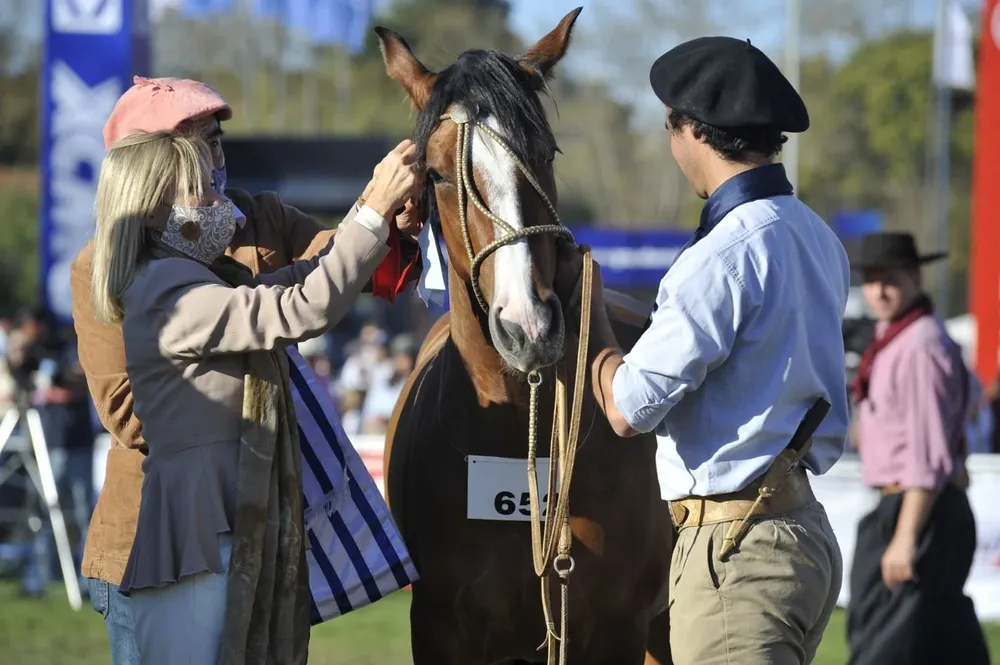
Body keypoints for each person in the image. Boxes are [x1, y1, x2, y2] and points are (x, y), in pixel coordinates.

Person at [71, 76, 422, 665]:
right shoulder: (109, 268)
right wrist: (243, 368)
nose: (212, 159)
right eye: (189, 144)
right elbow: (130, 415)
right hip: (167, 529)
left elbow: (333, 270)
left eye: (213, 138)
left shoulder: (253, 216)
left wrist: (387, 222)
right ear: (150, 174)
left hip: (259, 521)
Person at [572, 36, 850, 664]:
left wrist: (595, 327)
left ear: (691, 130)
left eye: (671, 128)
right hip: (797, 530)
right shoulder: (817, 235)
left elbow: (627, 409)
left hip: (737, 545)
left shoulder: (720, 256)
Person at [846, 232, 989, 665]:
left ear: (914, 277)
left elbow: (927, 456)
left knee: (883, 647)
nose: (879, 291)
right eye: (871, 280)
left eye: (890, 279)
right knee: (938, 642)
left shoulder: (920, 346)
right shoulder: (896, 340)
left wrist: (906, 538)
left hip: (917, 509)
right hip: (915, 505)